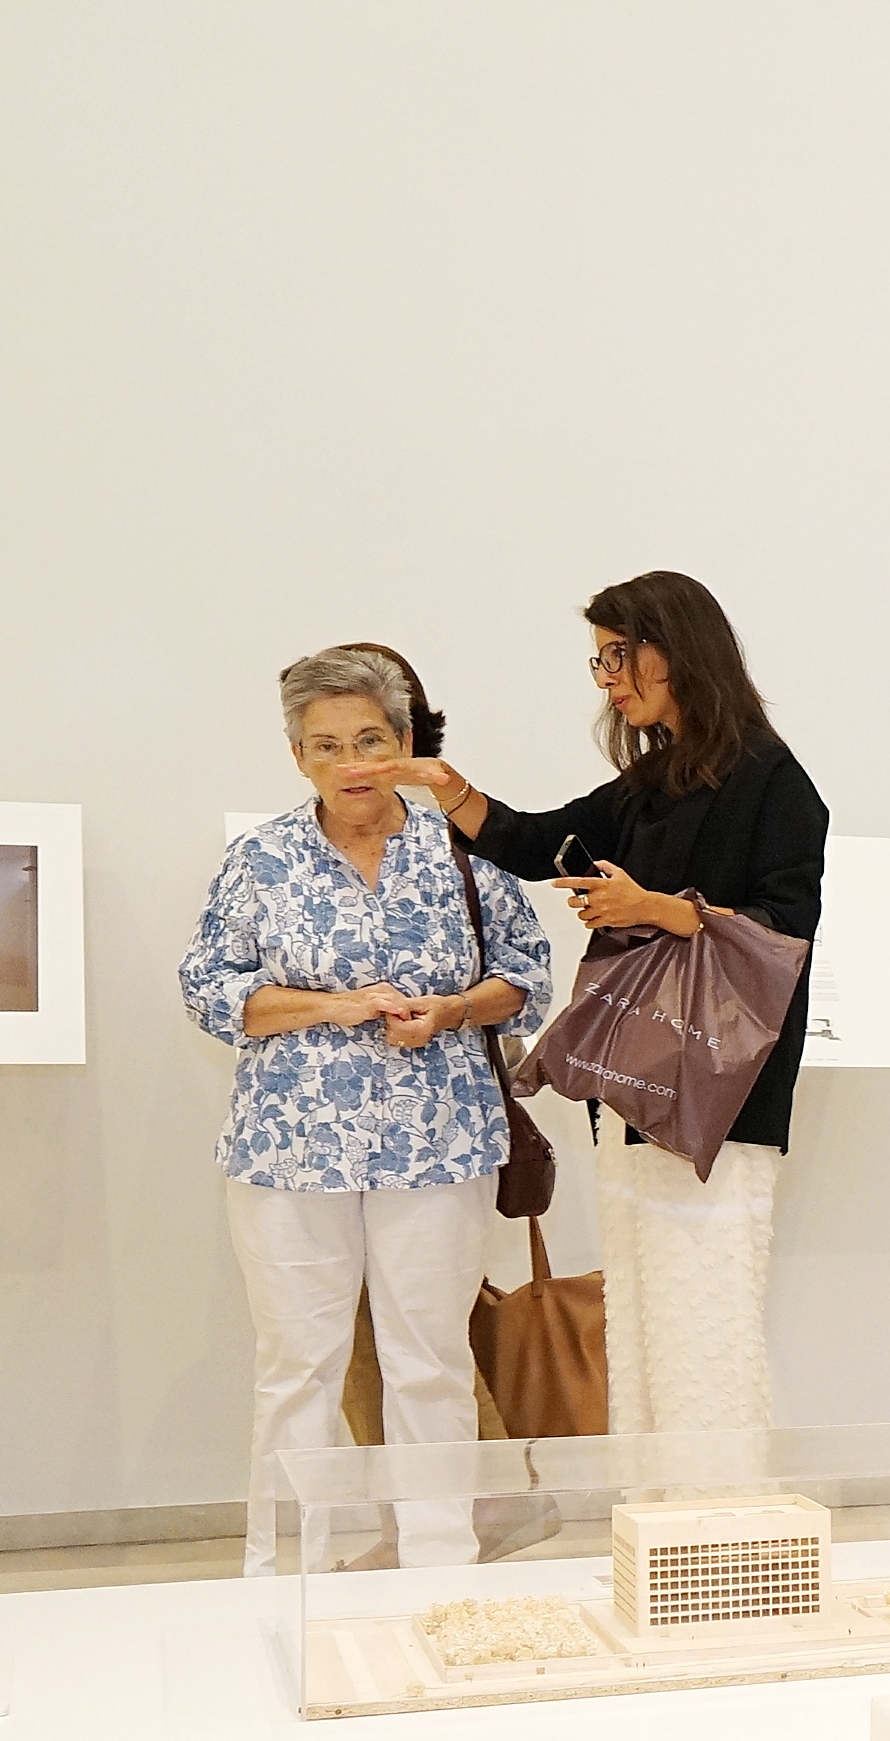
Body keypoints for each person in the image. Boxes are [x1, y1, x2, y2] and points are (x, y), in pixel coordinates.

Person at [369, 570, 826, 1434]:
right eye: (600, 661)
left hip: (720, 1091)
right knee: (644, 1306)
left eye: (619, 655)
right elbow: (536, 842)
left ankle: (717, 1498)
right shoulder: (656, 780)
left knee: (706, 1304)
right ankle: (655, 1493)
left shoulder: (772, 778)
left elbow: (785, 930)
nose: (608, 679)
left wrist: (655, 908)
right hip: (635, 1081)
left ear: (676, 649)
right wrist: (445, 785)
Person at [182, 650, 552, 1569]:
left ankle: (438, 1565)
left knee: (429, 1359)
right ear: (297, 755)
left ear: (404, 744)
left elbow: (527, 976)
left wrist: (454, 1009)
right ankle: (283, 1574)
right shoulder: (262, 858)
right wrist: (333, 1006)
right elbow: (209, 989)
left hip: (440, 1142)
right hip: (288, 1148)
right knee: (296, 1369)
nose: (351, 764)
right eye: (326, 745)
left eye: (370, 741)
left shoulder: (463, 848)